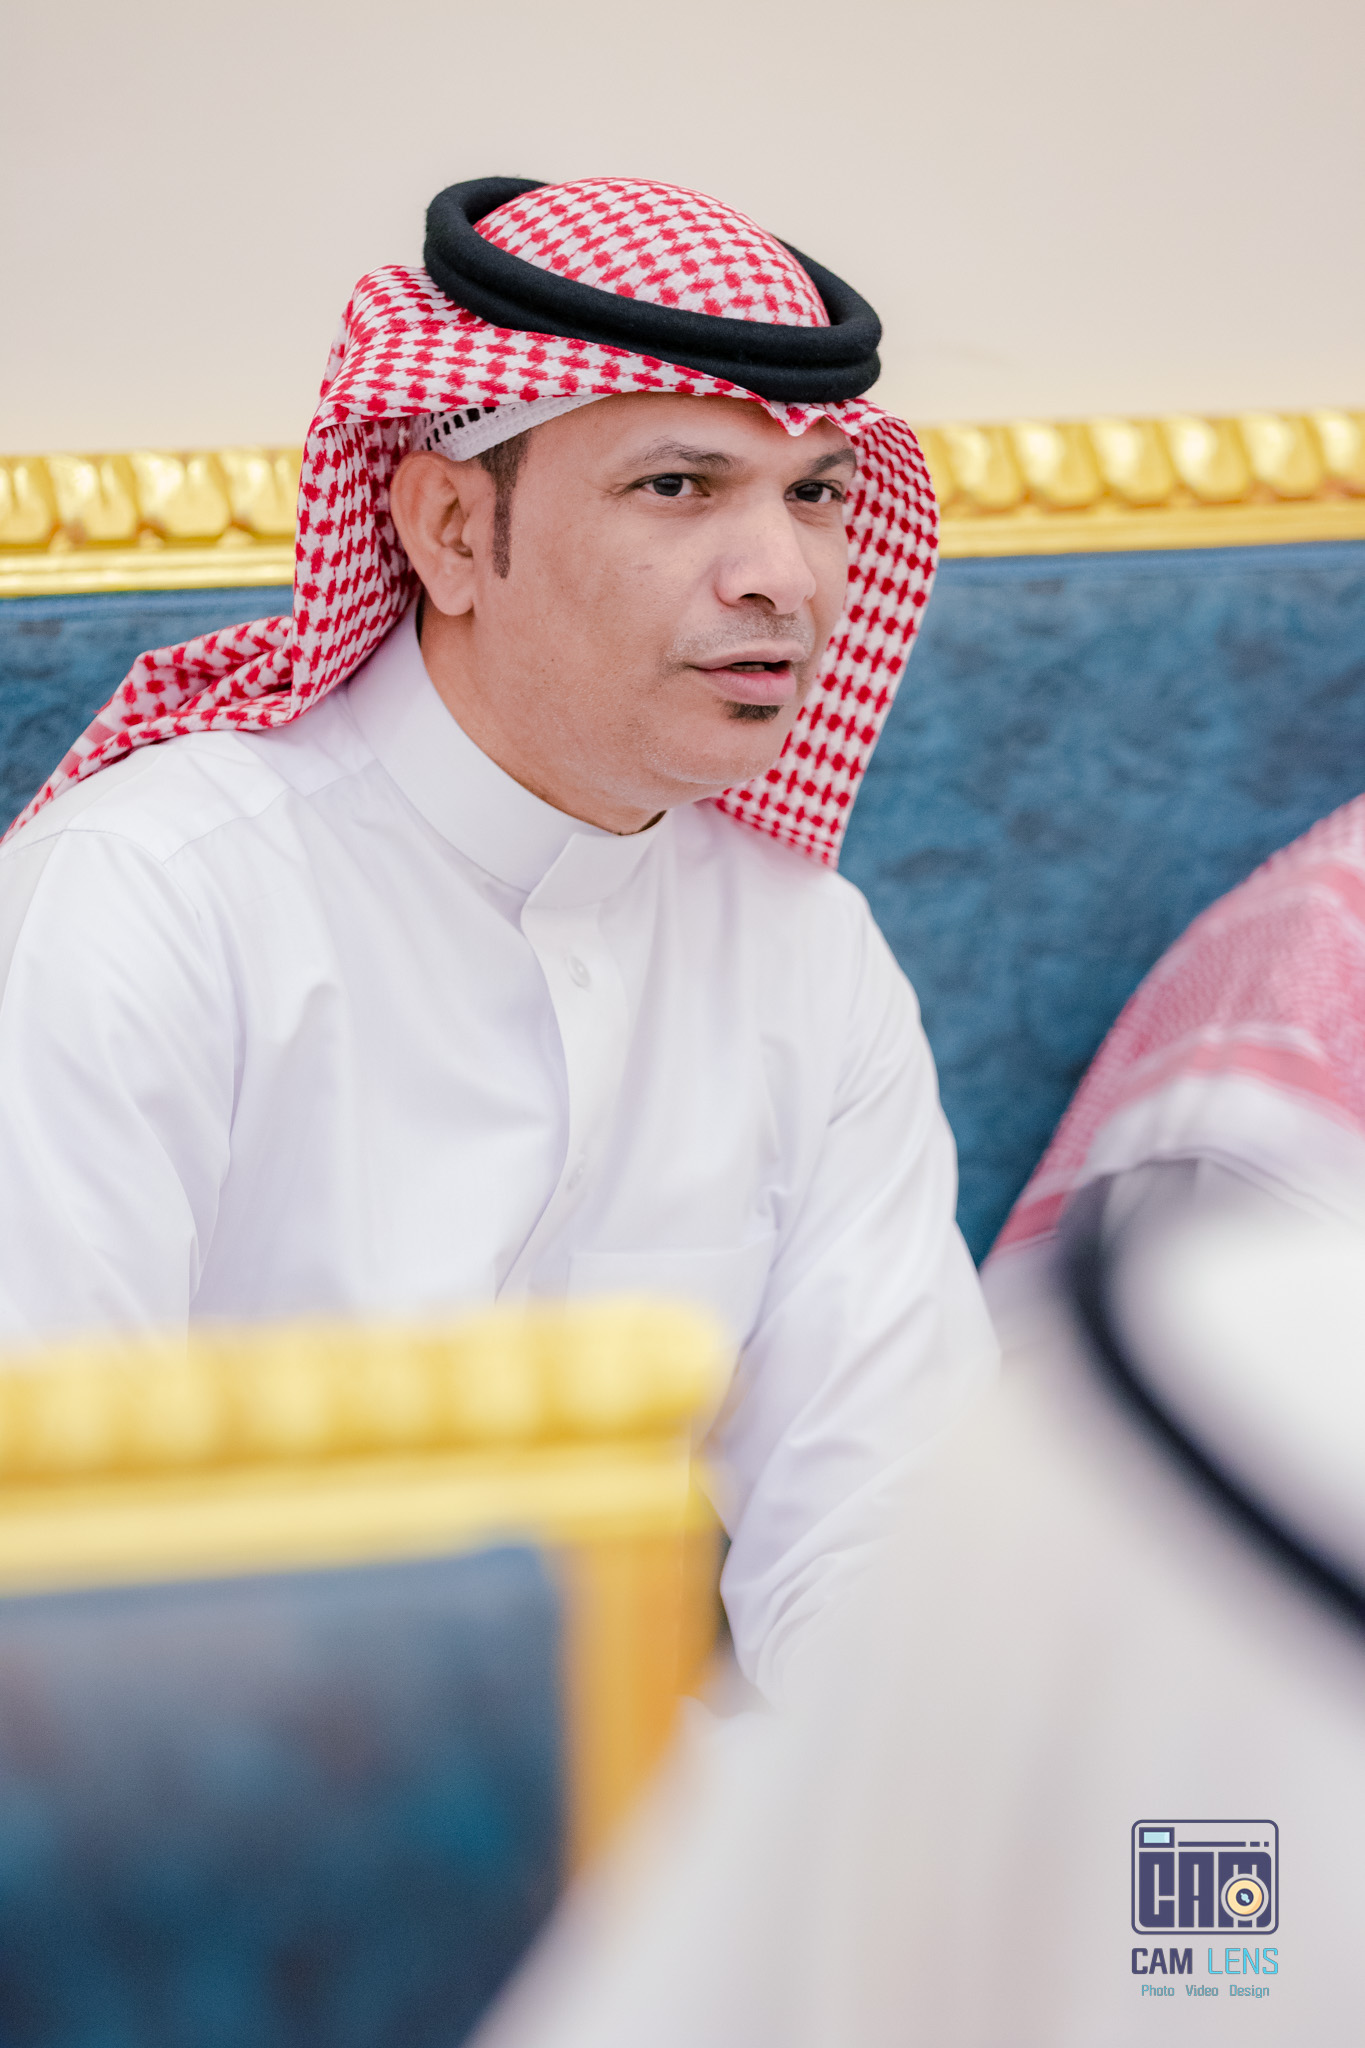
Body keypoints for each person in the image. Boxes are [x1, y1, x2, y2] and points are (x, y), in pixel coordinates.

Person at [0, 176, 996, 1699]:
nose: (784, 577)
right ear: (452, 529)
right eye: (680, 485)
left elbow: (883, 1544)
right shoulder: (146, 903)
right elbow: (52, 1584)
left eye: (813, 494)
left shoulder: (806, 950)